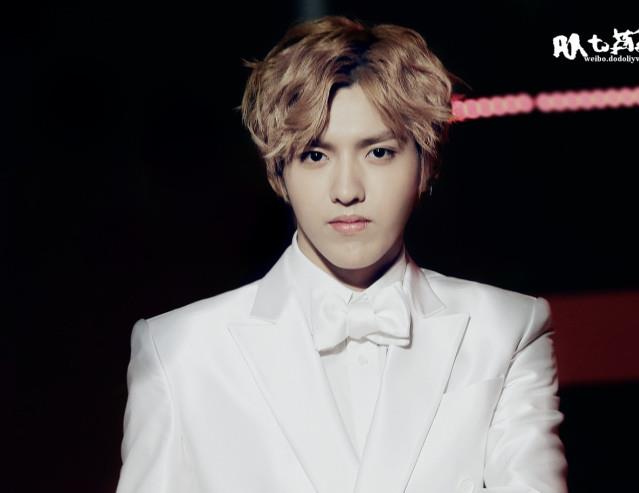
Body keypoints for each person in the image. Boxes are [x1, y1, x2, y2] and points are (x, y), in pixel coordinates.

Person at [116, 15, 568, 493]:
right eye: (315, 155)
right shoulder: (180, 351)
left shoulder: (504, 329)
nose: (347, 190)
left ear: (424, 164)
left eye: (378, 153)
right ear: (278, 170)